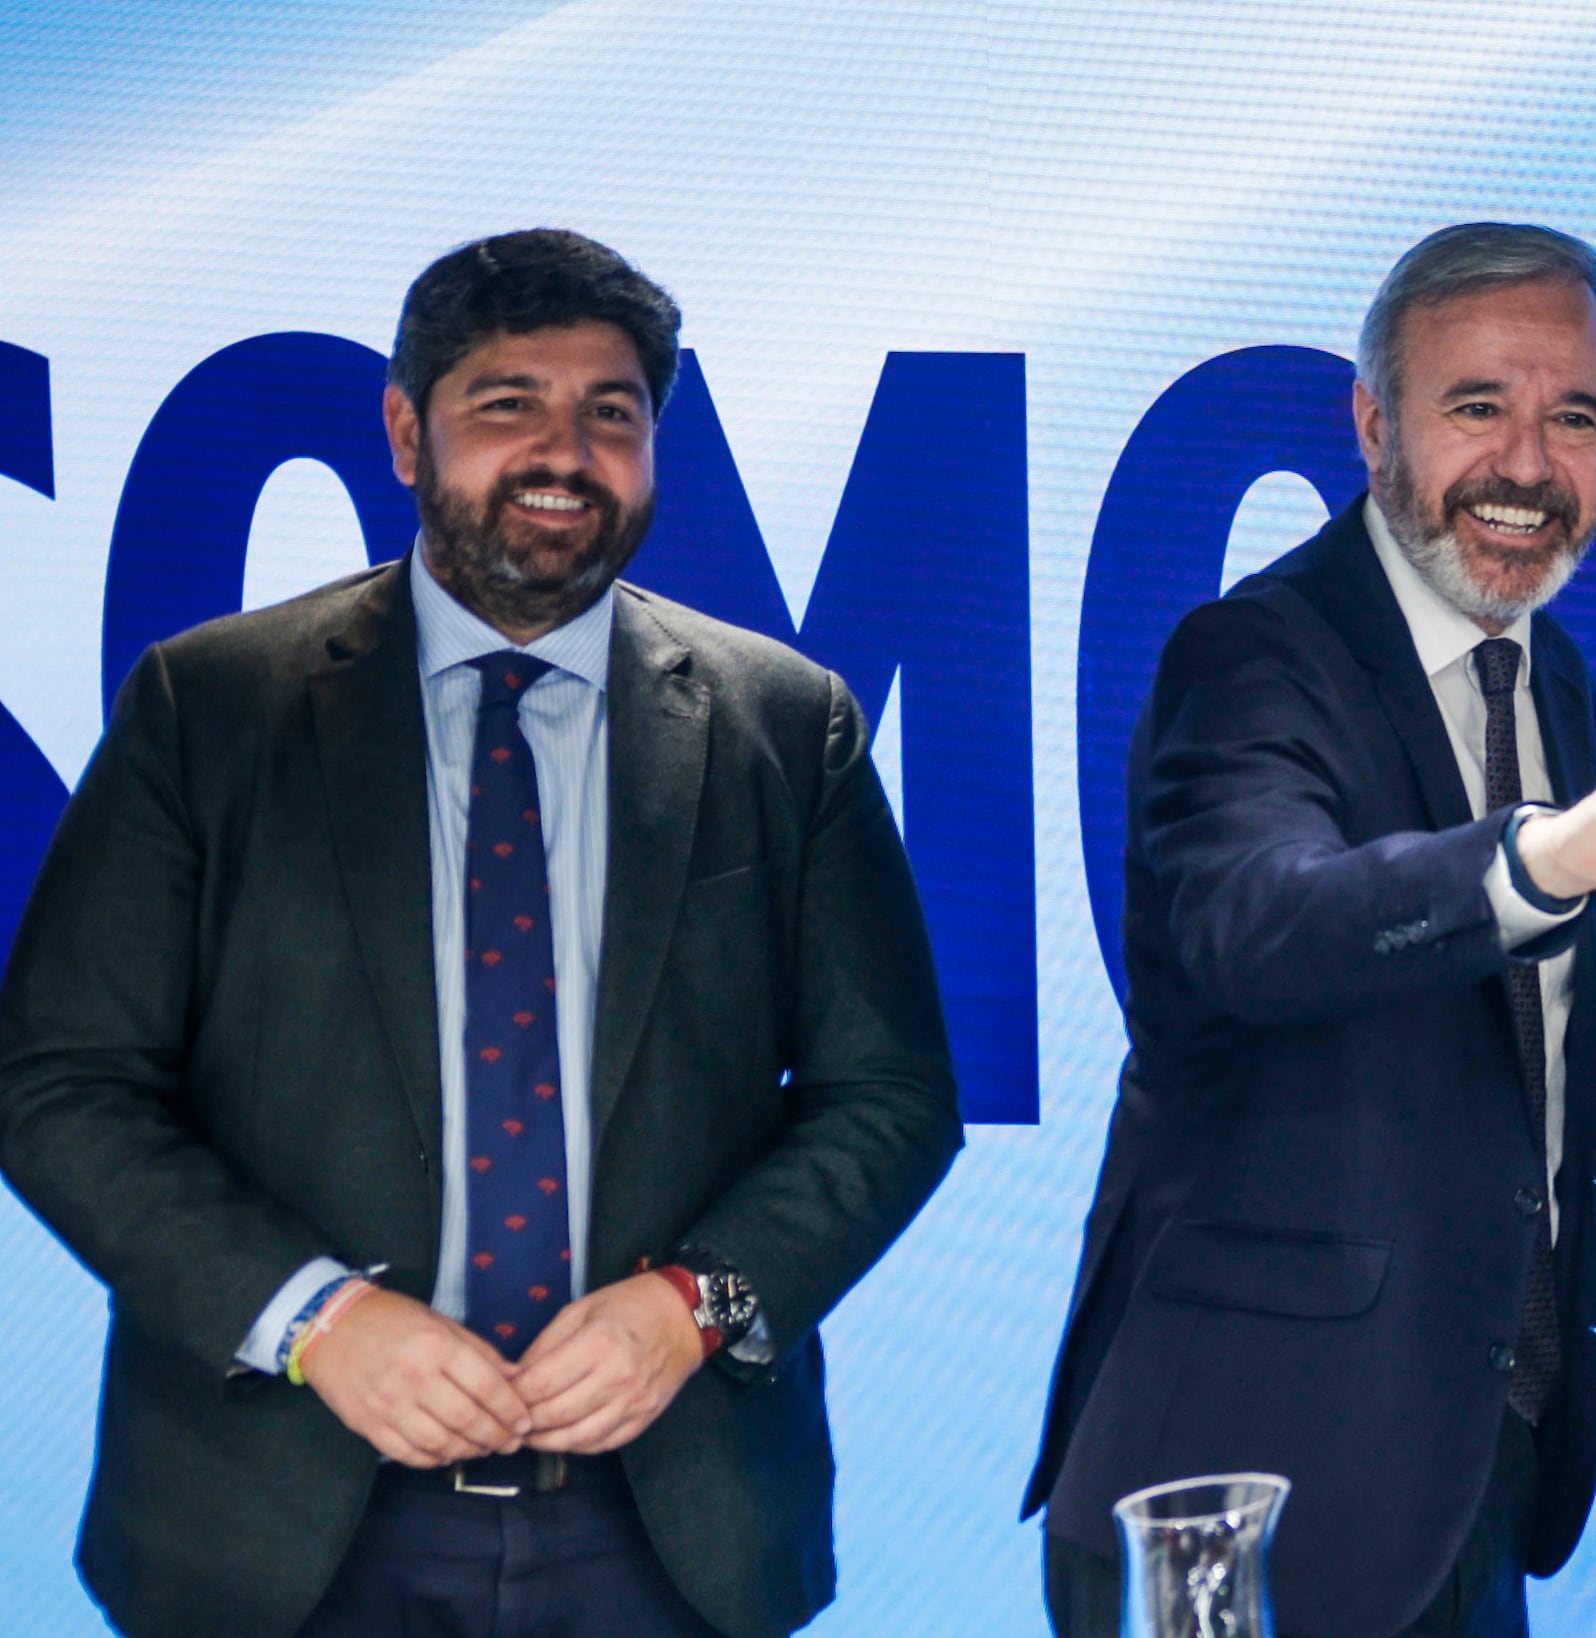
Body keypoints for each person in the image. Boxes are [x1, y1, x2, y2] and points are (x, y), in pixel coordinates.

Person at [0, 228, 962, 1635]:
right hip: (279, 1528)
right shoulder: (207, 711)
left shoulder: (781, 723)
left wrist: (696, 1303)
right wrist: (311, 1318)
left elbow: (891, 1095)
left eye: (611, 413)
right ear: (407, 432)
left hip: (667, 1527)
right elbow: (58, 1083)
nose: (563, 453)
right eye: (509, 403)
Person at [1029, 222, 1596, 1638]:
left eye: (1573, 418)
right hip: (1242, 1490)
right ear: (1371, 422)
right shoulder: (1251, 652)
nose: (1527, 464)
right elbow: (1260, 923)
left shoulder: (1555, 672)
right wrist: (1556, 854)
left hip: (1469, 1472)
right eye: (1477, 407)